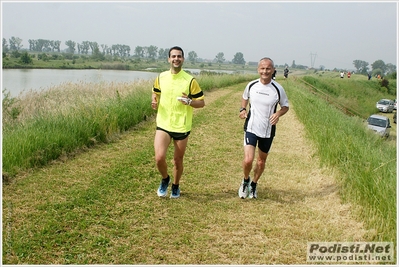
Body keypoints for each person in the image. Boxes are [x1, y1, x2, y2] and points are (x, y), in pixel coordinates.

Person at [151, 46, 205, 198]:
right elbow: (155, 93)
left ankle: (175, 185)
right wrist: (154, 101)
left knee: (177, 160)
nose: (176, 59)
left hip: (182, 125)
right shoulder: (161, 77)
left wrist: (189, 101)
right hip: (163, 123)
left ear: (183, 59)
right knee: (159, 158)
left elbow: (201, 102)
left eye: (179, 56)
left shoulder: (190, 80)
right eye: (173, 56)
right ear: (169, 59)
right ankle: (165, 179)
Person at [238, 57, 289, 199]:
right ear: (258, 69)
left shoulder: (278, 89)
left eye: (268, 69)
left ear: (272, 70)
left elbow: (285, 106)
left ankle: (254, 184)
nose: (265, 71)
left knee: (261, 161)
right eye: (262, 68)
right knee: (248, 160)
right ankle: (246, 180)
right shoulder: (252, 85)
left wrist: (278, 113)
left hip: (268, 130)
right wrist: (242, 109)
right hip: (251, 127)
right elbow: (244, 97)